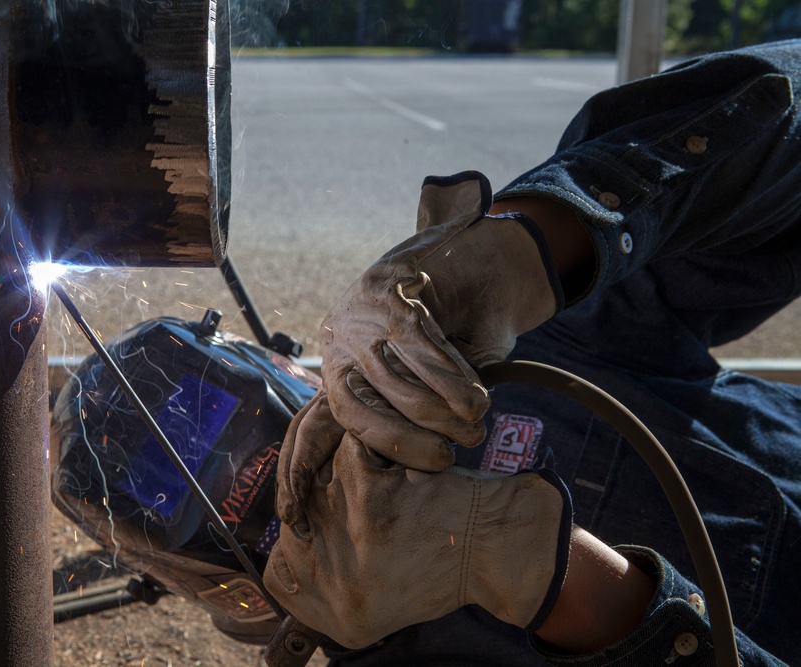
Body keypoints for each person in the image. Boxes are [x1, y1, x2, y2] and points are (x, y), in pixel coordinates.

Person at [262, 40, 801, 666]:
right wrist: (562, 584)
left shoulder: (535, 348)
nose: (247, 480)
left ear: (278, 364)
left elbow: (777, 107)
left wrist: (535, 240)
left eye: (226, 407)